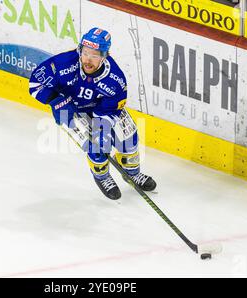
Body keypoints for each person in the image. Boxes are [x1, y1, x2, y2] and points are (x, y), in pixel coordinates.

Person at [29, 28, 156, 200]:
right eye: (85, 52)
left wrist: (101, 130)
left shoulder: (115, 79)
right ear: (80, 50)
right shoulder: (64, 63)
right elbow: (36, 83)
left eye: (95, 55)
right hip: (69, 111)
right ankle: (102, 177)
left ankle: (132, 173)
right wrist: (55, 100)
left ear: (104, 56)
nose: (88, 59)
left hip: (101, 110)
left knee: (129, 137)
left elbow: (110, 109)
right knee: (95, 147)